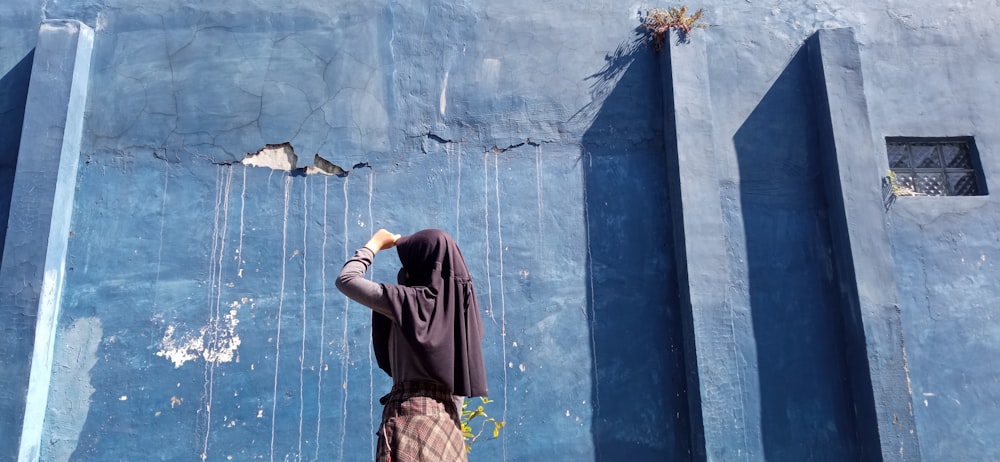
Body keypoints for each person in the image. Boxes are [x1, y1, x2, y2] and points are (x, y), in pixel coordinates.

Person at [335, 228, 488, 462]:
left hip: (410, 419)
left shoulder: (405, 302)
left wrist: (374, 244)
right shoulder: (463, 319)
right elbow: (457, 390)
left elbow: (347, 280)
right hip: (447, 428)